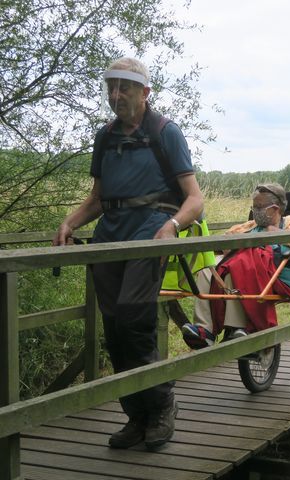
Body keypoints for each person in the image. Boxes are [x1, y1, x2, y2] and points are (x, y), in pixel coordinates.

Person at [53, 57, 204, 450]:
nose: (117, 96)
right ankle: (136, 417)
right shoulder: (105, 137)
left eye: (126, 88)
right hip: (110, 235)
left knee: (135, 321)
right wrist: (70, 223)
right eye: (111, 88)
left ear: (145, 92)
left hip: (149, 232)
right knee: (114, 329)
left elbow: (194, 200)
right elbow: (98, 199)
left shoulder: (166, 132)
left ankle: (161, 406)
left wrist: (171, 227)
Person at [182, 183, 290, 347]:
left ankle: (237, 326)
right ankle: (205, 330)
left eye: (259, 206)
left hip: (278, 274)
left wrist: (278, 234)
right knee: (209, 268)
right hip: (244, 267)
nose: (255, 211)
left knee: (236, 266)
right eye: (254, 206)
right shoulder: (248, 227)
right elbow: (221, 243)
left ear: (275, 208)